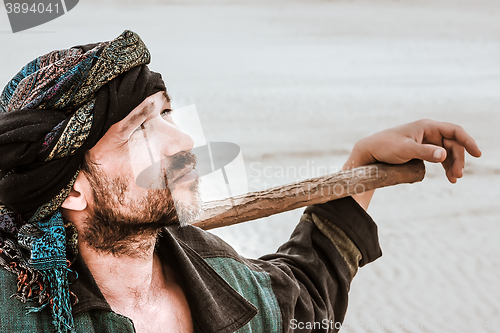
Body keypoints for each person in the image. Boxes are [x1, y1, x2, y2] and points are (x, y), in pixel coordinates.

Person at [0, 31, 481, 333]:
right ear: (71, 189)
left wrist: (361, 164)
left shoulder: (218, 277)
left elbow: (305, 300)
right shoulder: (15, 311)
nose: (182, 139)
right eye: (141, 129)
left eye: (166, 112)